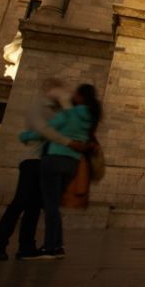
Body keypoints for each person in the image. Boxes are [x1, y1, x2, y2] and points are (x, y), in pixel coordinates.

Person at [0, 80, 81, 261]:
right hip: (33, 161)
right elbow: (44, 130)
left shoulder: (59, 111)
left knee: (34, 207)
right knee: (20, 203)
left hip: (50, 163)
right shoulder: (38, 107)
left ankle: (27, 246)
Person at [20, 83, 101, 260]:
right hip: (72, 163)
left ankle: (50, 247)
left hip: (54, 159)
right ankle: (57, 245)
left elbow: (46, 130)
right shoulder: (91, 118)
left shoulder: (70, 114)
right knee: (54, 205)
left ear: (80, 97)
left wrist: (25, 136)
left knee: (50, 206)